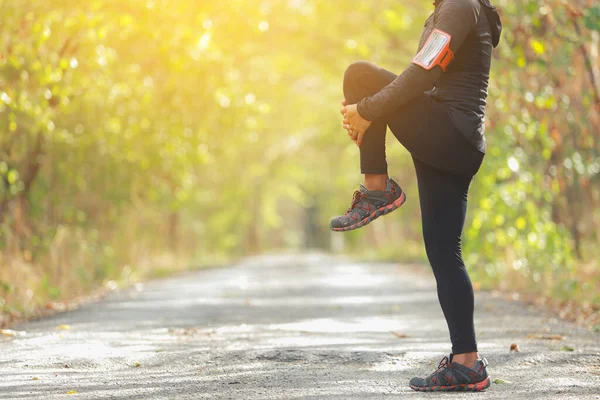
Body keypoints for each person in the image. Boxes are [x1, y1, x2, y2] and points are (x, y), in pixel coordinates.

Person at [330, 0, 502, 392]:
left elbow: (423, 72)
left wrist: (367, 110)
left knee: (360, 76)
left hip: (450, 133)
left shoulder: (461, 4)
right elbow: (426, 72)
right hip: (453, 142)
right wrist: (366, 114)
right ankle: (467, 364)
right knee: (443, 253)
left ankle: (377, 189)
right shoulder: (455, 8)